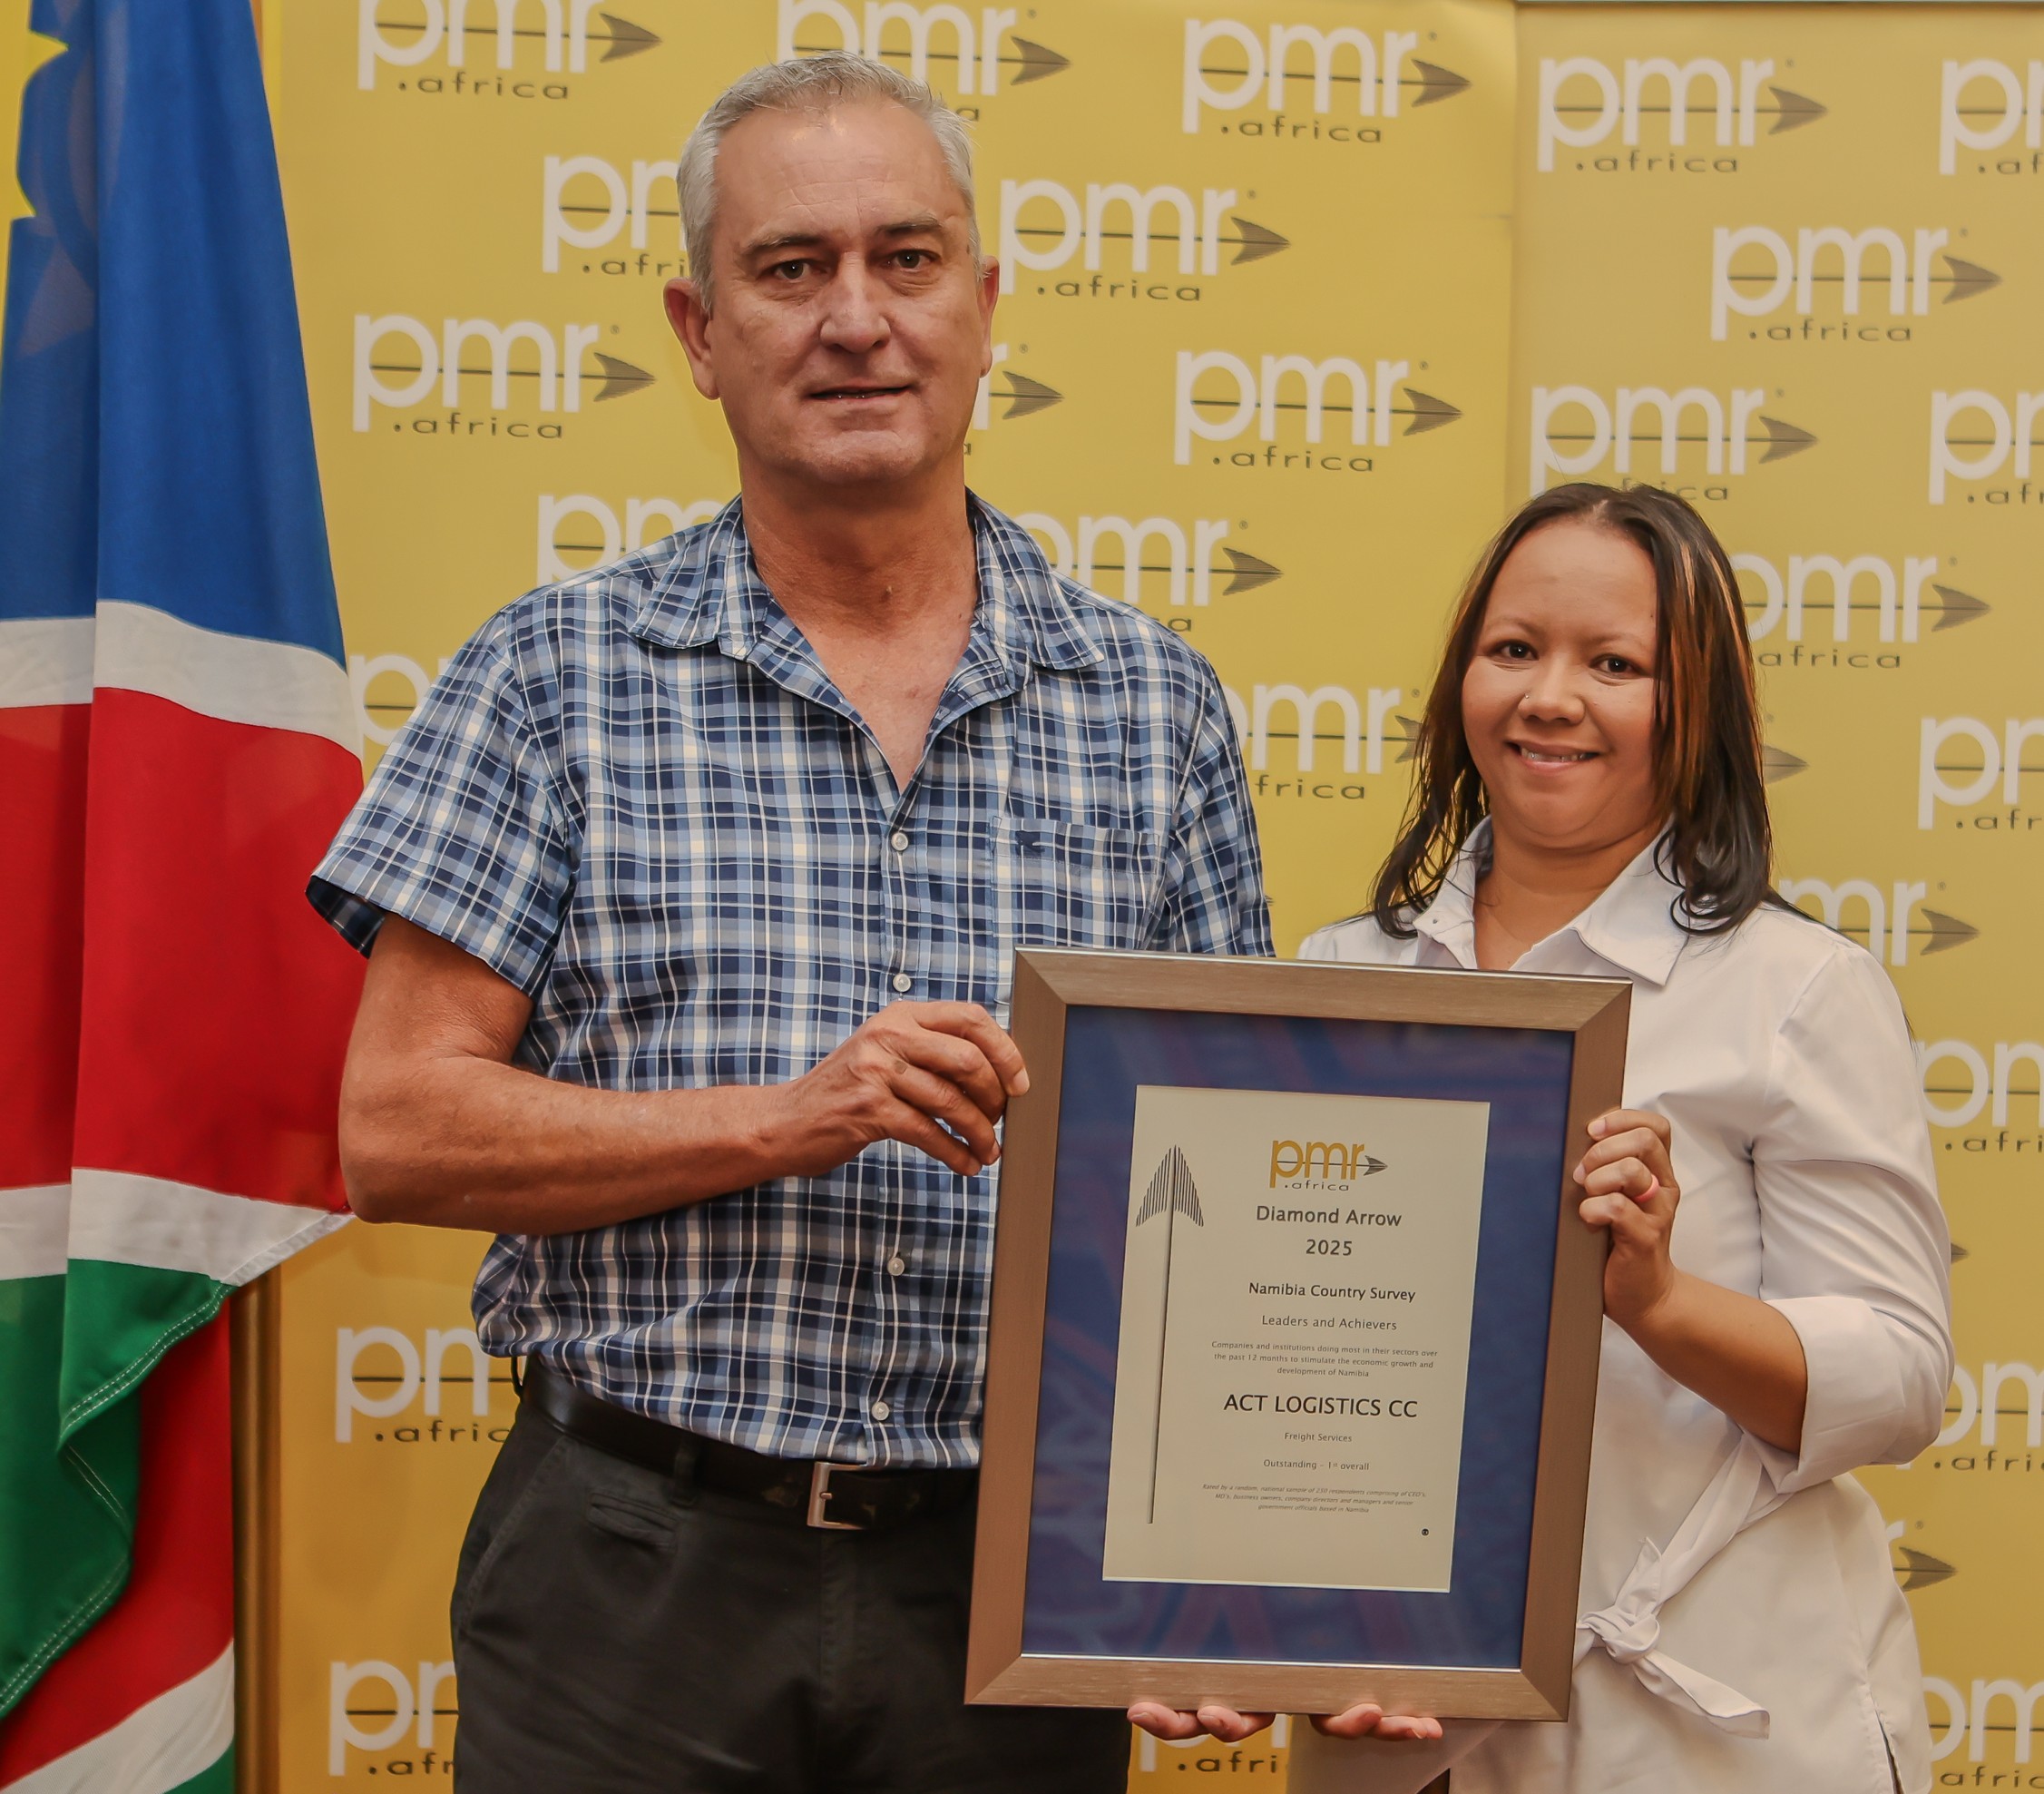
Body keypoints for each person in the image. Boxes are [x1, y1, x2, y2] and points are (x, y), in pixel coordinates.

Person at [307, 54, 1269, 1794]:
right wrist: (790, 1118)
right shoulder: (551, 676)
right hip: (632, 1574)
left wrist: (1213, 1567)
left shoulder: (1154, 704)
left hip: (1006, 1590)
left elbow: (1220, 1184)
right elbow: (395, 1130)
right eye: (789, 267)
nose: (856, 318)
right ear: (697, 329)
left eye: (906, 259)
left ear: (983, 304)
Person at [1136, 483, 1953, 1793]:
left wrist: (1657, 1299)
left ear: (1694, 708)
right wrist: (1215, 1616)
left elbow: (1900, 1378)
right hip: (1390, 1718)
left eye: (1614, 664)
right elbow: (1249, 1361)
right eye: (1513, 648)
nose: (1550, 696)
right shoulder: (1337, 980)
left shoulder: (1797, 988)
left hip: (1713, 1727)